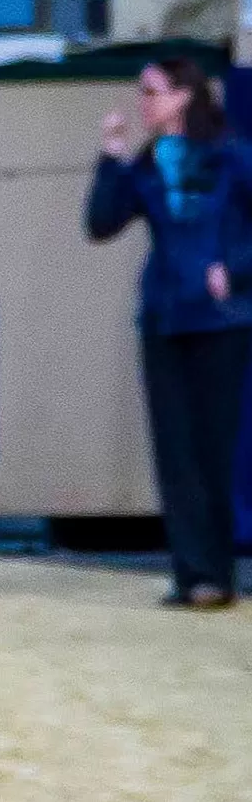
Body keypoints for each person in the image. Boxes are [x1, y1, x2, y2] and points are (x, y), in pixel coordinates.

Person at [87, 53, 252, 608]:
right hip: (164, 316)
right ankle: (192, 574)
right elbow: (101, 222)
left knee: (212, 446)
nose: (143, 102)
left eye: (152, 91)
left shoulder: (229, 155)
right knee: (174, 447)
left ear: (184, 96)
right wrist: (110, 156)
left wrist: (235, 268)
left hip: (220, 320)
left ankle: (218, 572)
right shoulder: (148, 162)